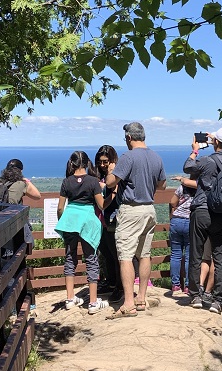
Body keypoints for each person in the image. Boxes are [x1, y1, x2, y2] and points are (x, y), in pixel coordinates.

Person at [104, 121, 166, 316]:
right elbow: (162, 185)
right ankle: (141, 298)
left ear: (129, 138)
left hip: (131, 210)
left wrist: (111, 171)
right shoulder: (156, 157)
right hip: (149, 209)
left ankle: (128, 303)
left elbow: (110, 182)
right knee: (144, 254)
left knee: (125, 256)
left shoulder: (128, 157)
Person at [183, 127, 222, 314]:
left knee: (197, 253)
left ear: (216, 142)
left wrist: (195, 149)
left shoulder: (207, 161)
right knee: (218, 256)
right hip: (221, 213)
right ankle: (217, 300)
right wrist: (216, 140)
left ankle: (196, 296)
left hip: (201, 209)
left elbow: (187, 167)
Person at [54, 151, 109, 315]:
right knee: (91, 259)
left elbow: (60, 207)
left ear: (72, 163)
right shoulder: (93, 181)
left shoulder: (66, 182)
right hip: (87, 220)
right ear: (87, 163)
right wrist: (112, 195)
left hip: (70, 220)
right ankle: (93, 303)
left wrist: (62, 220)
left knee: (70, 258)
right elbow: (101, 205)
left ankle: (70, 299)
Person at [95, 145, 121, 298]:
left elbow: (116, 193)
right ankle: (111, 282)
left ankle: (119, 285)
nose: (102, 165)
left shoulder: (116, 174)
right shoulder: (101, 175)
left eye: (106, 162)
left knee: (115, 253)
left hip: (114, 218)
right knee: (107, 253)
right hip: (103, 219)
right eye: (100, 162)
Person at [168, 178, 195, 295]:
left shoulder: (182, 188)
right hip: (190, 222)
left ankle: (175, 285)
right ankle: (188, 286)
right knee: (189, 256)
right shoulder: (200, 189)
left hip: (177, 220)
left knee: (175, 254)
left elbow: (172, 202)